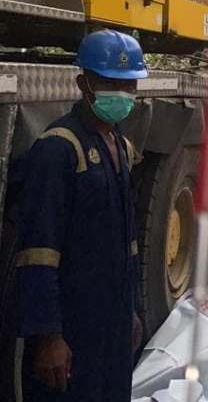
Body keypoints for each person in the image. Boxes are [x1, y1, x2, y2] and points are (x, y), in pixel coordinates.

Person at [15, 30, 147, 401]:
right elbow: (38, 251)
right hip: (72, 327)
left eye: (128, 84)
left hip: (113, 322)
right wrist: (48, 337)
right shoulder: (58, 149)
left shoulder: (122, 147)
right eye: (108, 82)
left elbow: (129, 241)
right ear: (83, 83)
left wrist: (132, 310)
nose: (120, 93)